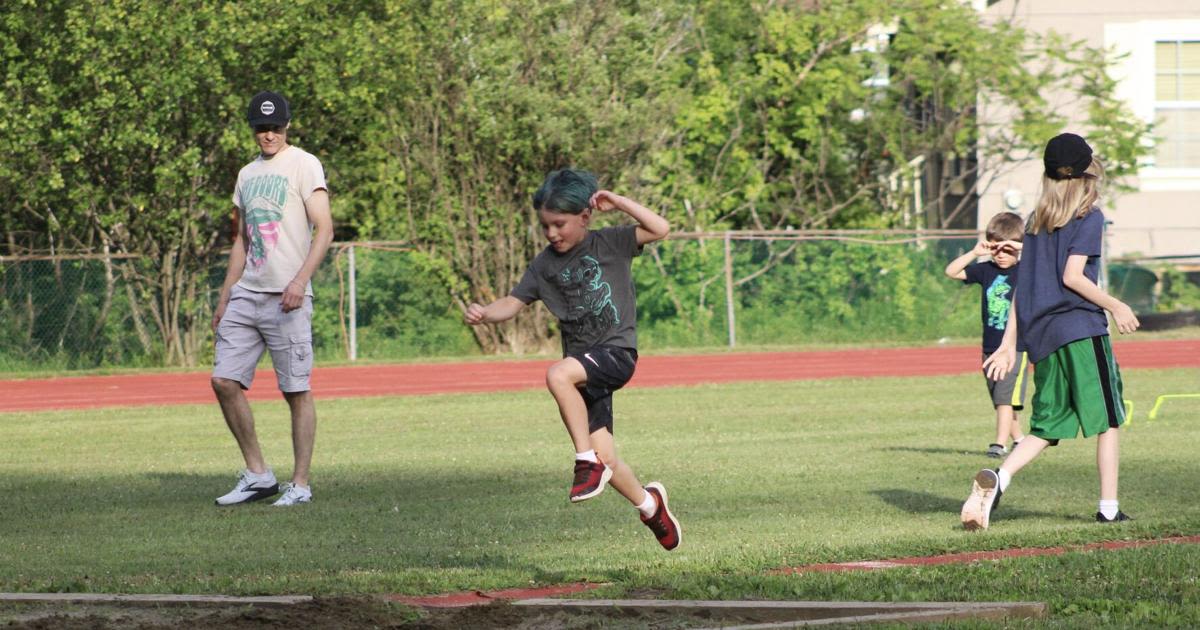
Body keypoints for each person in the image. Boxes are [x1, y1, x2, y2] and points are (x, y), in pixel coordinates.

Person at [464, 169, 681, 550]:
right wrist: (485, 312)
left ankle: (584, 463)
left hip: (615, 352)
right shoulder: (544, 265)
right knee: (608, 457)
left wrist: (617, 202)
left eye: (559, 224)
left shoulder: (611, 242)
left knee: (557, 374)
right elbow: (512, 303)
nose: (551, 234)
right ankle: (650, 506)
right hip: (584, 368)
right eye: (545, 226)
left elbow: (660, 227)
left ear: (585, 216)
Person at [961, 132, 1139, 530]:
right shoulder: (1088, 217)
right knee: (1108, 420)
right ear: (1087, 174)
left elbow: (1021, 291)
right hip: (1080, 329)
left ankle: (1000, 478)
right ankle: (1108, 508)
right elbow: (1073, 276)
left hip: (1042, 338)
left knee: (1048, 424)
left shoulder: (1033, 222)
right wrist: (1115, 304)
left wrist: (1010, 344)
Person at [211, 91, 334, 507]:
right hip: (248, 292)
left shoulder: (304, 164)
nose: (269, 134)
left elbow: (325, 229)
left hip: (288, 297)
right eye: (262, 127)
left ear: (287, 126)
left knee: (295, 390)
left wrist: (300, 281)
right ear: (253, 129)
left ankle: (299, 485)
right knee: (223, 380)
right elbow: (242, 242)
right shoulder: (246, 175)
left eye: (276, 126)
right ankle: (259, 475)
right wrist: (225, 296)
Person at [944, 212, 1030, 458]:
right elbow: (951, 271)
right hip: (990, 346)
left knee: (1004, 399)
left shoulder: (1027, 270)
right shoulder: (986, 271)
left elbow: (1047, 260)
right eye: (997, 250)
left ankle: (999, 444)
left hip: (1015, 347)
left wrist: (1023, 247)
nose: (1002, 255)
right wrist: (975, 253)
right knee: (1000, 399)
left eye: (1008, 250)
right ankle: (1021, 440)